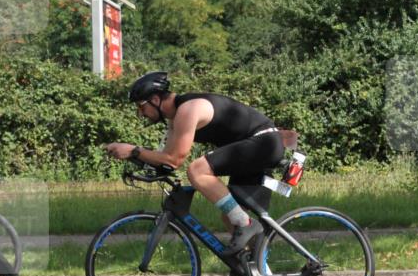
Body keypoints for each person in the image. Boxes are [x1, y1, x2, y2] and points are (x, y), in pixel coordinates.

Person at [104, 71, 285, 258]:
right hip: (254, 147)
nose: (140, 114)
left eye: (141, 107)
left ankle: (246, 224)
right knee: (229, 216)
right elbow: (166, 161)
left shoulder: (188, 110)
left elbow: (175, 159)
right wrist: (135, 158)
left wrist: (135, 150)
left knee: (197, 170)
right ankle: (262, 272)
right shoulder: (174, 120)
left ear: (156, 100)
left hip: (264, 143)